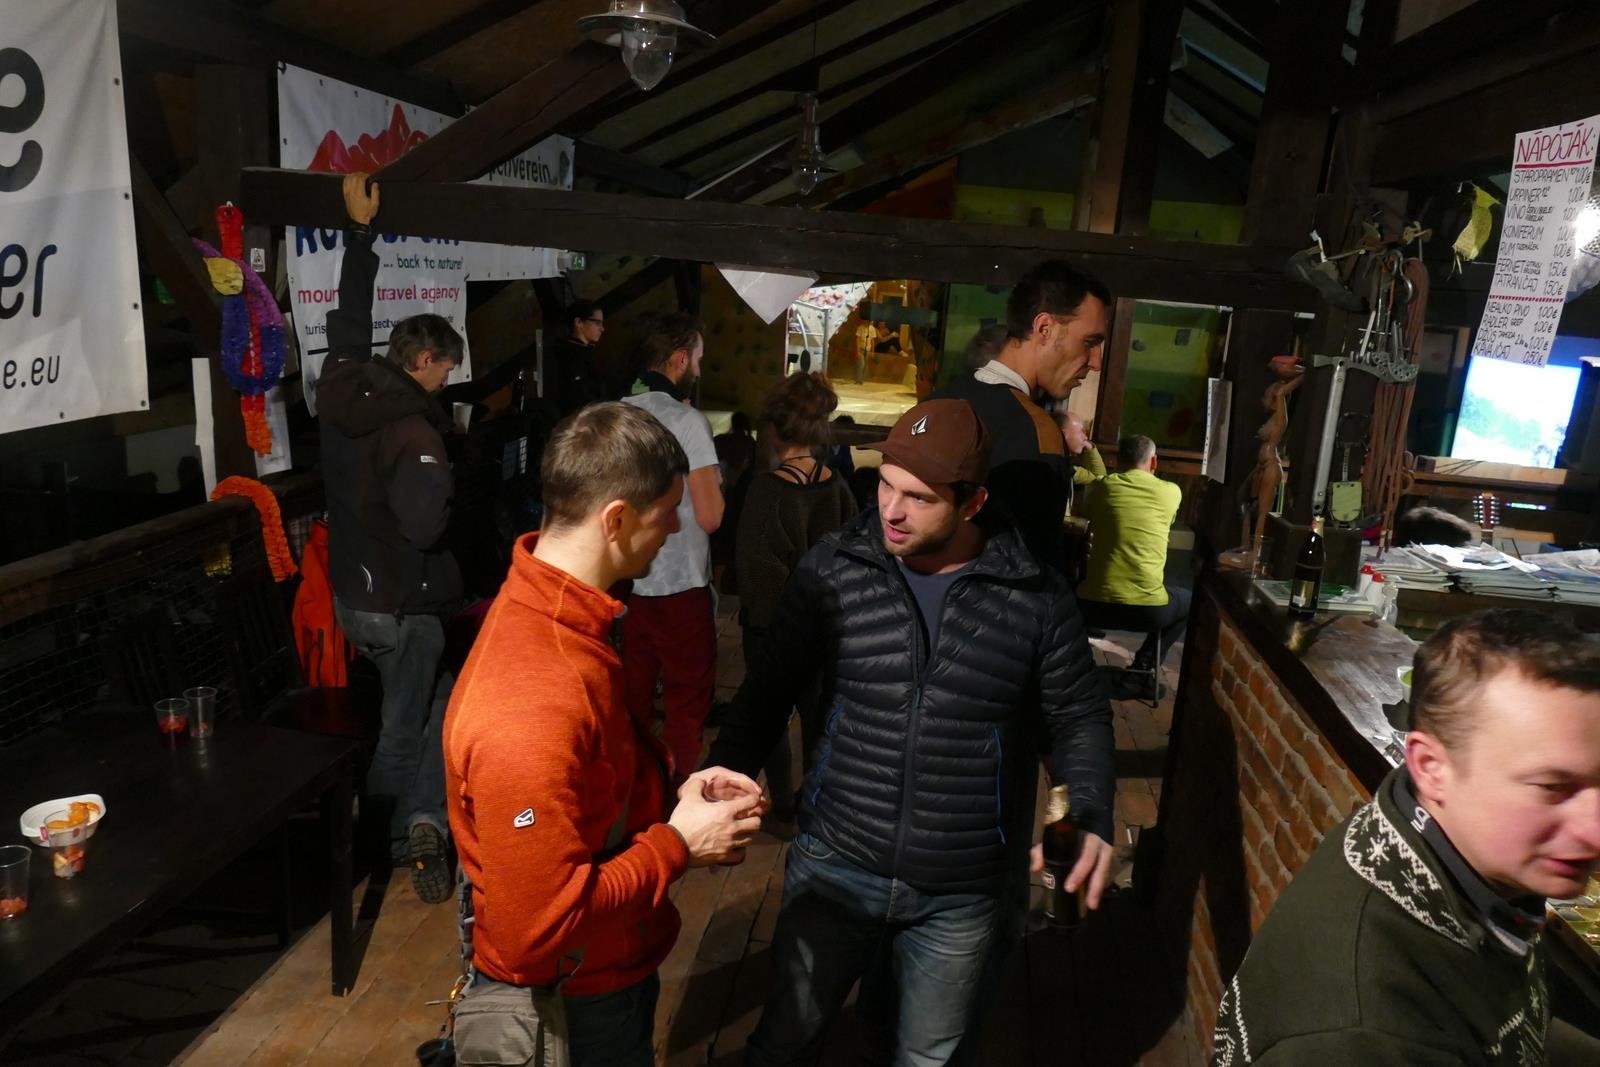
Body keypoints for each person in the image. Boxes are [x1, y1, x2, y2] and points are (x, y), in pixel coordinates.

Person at [708, 398, 1116, 1066]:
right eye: (886, 485)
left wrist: (1092, 808)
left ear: (973, 501)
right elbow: (768, 689)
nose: (891, 511)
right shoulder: (834, 568)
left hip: (959, 889)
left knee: (927, 1058)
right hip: (837, 862)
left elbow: (1078, 713)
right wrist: (719, 772)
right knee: (785, 1041)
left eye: (919, 498)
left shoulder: (1036, 596)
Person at [443, 402, 766, 1067]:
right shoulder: (531, 699)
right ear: (615, 519)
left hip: (602, 971)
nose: (676, 525)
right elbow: (535, 930)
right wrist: (678, 844)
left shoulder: (561, 617)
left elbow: (589, 789)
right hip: (574, 1002)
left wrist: (673, 795)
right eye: (666, 511)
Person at [1213, 609, 1600, 1065]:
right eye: (1552, 787)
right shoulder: (1361, 1034)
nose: (1594, 830)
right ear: (1431, 768)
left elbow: (1512, 1025)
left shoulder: (1436, 842)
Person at [317, 171, 463, 903]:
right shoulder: (415, 433)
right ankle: (383, 845)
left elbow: (347, 323)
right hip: (402, 604)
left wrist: (360, 236)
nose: (448, 381)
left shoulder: (344, 384)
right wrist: (449, 486)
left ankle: (417, 820)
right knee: (407, 725)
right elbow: (424, 525)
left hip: (352, 594)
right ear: (425, 361)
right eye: (447, 368)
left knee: (430, 704)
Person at [734, 372, 857, 826]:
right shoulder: (837, 486)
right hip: (826, 627)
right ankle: (818, 803)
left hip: (774, 631)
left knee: (770, 716)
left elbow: (756, 573)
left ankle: (782, 805)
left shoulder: (765, 490)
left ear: (774, 428)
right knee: (820, 718)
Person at [933, 260, 1111, 568]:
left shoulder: (934, 404)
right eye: (1090, 342)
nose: (1096, 362)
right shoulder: (1037, 433)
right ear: (1045, 328)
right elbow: (1030, 568)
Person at [620, 311, 724, 780]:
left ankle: (632, 790)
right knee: (687, 698)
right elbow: (710, 515)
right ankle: (679, 794)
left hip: (627, 581)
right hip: (680, 583)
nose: (698, 369)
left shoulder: (615, 414)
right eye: (697, 358)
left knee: (632, 696)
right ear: (680, 358)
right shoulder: (687, 422)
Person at [1076, 435, 1186, 694]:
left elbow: (1086, 512)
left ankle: (1073, 665)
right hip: (1149, 612)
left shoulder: (1103, 487)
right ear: (1154, 461)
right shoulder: (1172, 492)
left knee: (1066, 591)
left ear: (1118, 460)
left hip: (1094, 606)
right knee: (1188, 601)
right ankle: (1142, 668)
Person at [548, 298, 607, 416]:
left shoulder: (584, 350)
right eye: (597, 323)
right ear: (579, 322)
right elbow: (579, 397)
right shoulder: (570, 355)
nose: (602, 328)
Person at [1059, 409, 1107, 491]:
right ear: (1064, 434)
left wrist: (1089, 447)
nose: (1085, 437)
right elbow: (1100, 480)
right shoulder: (1061, 468)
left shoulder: (1068, 468)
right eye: (1080, 432)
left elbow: (1100, 478)